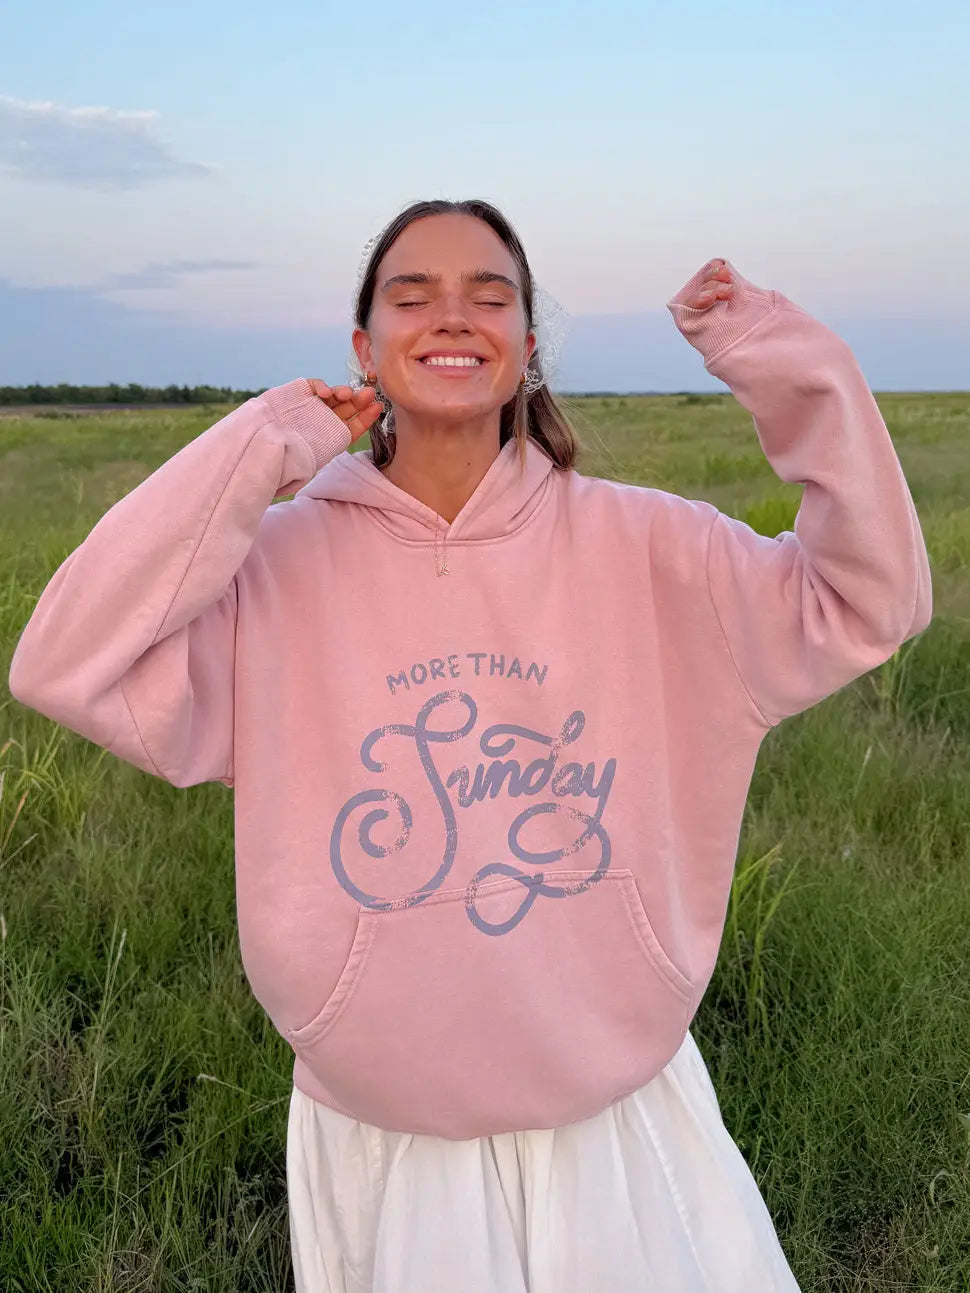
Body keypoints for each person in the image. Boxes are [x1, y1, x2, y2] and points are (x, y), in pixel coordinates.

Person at [7, 197, 932, 1292]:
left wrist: (784, 360)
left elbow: (869, 600)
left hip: (615, 1107)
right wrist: (264, 445)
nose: (453, 315)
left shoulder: (653, 546)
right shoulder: (274, 575)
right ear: (364, 348)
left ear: (527, 347)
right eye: (413, 295)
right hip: (382, 1123)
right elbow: (64, 664)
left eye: (489, 296)